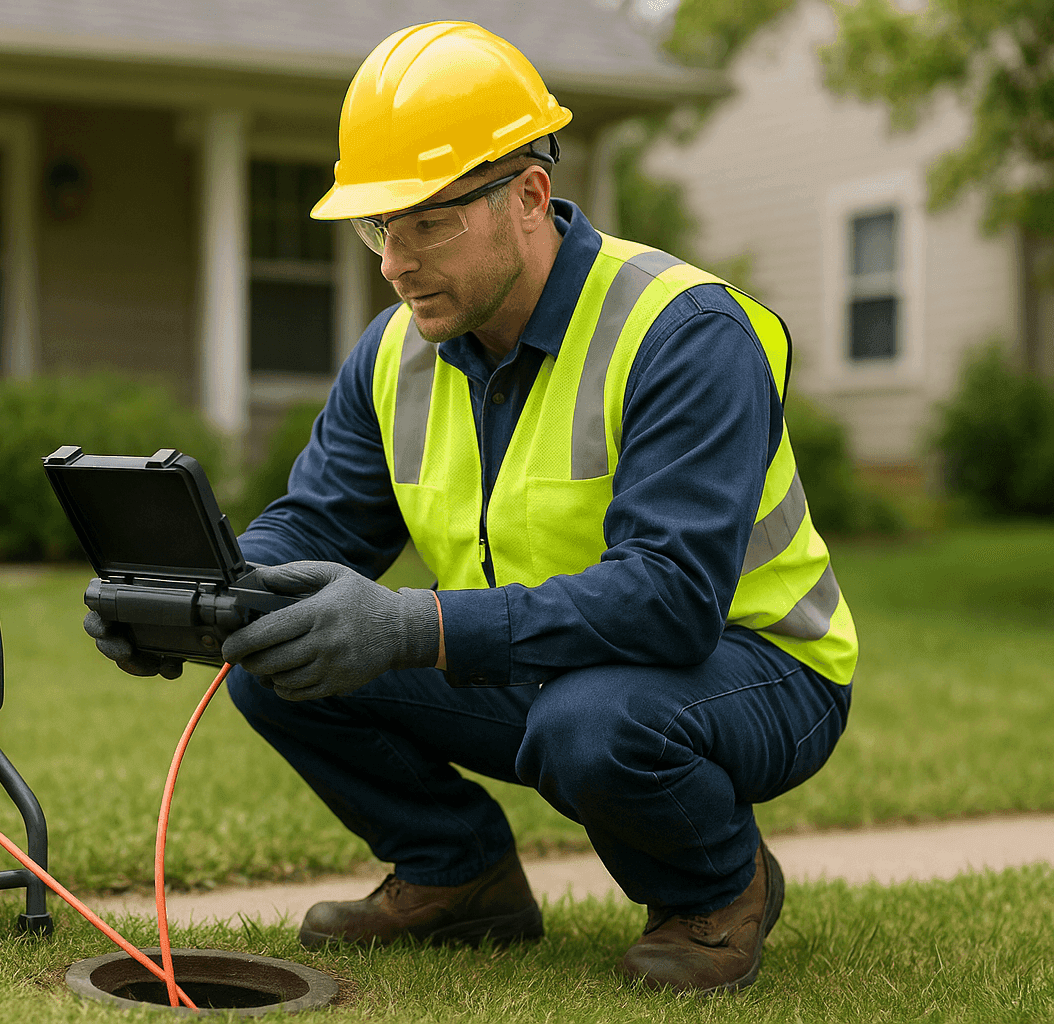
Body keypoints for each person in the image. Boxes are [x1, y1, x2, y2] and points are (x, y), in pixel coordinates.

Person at [86, 20, 857, 995]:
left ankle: (716, 889)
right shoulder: (394, 354)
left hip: (755, 666)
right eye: (379, 227)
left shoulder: (683, 332)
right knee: (282, 662)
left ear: (529, 196)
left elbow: (670, 598)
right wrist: (197, 596)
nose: (394, 262)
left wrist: (415, 623)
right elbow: (315, 527)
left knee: (592, 723)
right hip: (543, 662)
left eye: (425, 222)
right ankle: (459, 876)